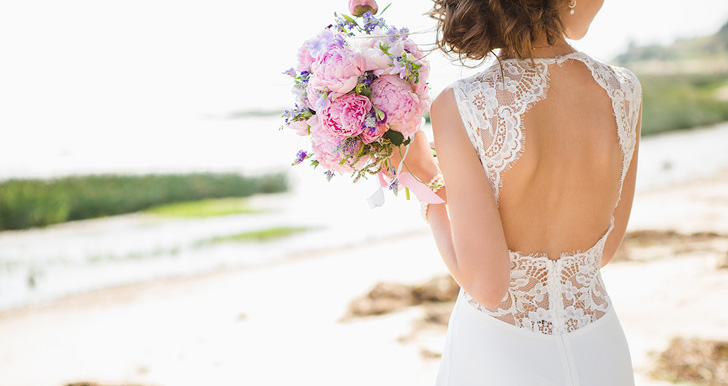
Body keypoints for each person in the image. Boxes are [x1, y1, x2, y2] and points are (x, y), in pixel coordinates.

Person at [396, 0, 642, 384]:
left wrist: (423, 177)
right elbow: (604, 251)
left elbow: (486, 286)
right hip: (601, 349)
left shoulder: (462, 104)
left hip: (501, 354)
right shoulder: (623, 89)